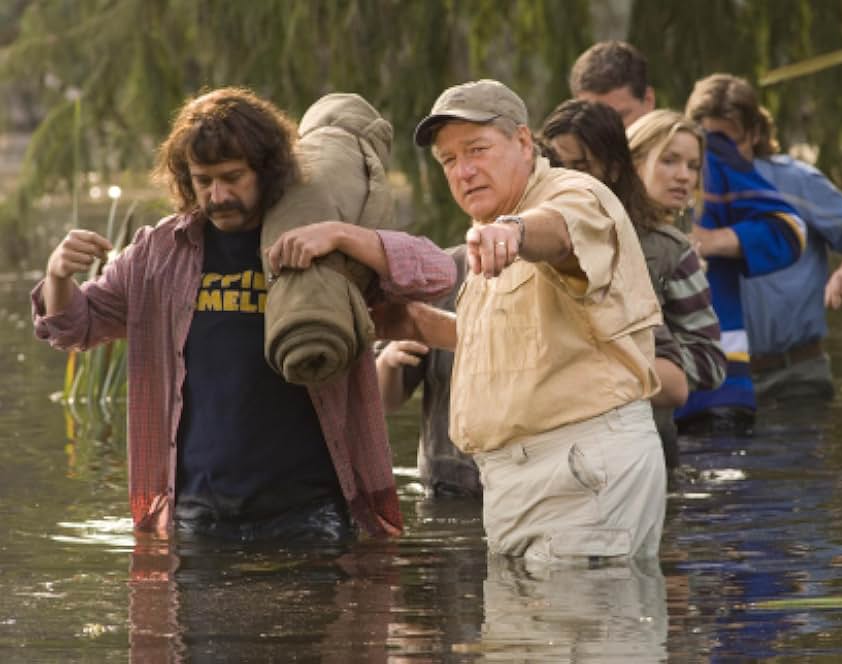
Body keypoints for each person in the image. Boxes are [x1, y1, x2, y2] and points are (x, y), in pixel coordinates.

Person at [31, 87, 456, 542]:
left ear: (268, 171)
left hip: (313, 511)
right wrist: (58, 277)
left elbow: (438, 273)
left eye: (233, 177)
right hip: (196, 512)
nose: (218, 195)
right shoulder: (160, 253)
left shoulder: (321, 246)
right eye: (203, 180)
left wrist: (343, 236)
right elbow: (75, 326)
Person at [406, 79, 667, 563]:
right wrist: (414, 324)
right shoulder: (492, 227)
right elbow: (512, 343)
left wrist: (516, 231)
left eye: (477, 149)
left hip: (576, 472)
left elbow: (562, 230)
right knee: (524, 636)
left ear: (524, 143)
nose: (463, 170)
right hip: (523, 480)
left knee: (580, 622)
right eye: (448, 160)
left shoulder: (571, 193)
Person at [572, 41, 808, 435]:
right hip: (636, 401)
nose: (608, 132)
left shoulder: (703, 151)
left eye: (620, 116)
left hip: (717, 388)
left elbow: (789, 229)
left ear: (648, 100)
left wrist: (705, 243)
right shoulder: (584, 182)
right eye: (597, 116)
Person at [539, 99, 725, 472]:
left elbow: (710, 363)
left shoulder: (668, 250)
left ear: (614, 168)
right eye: (670, 160)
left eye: (693, 166)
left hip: (643, 447)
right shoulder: (534, 238)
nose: (684, 176)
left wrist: (628, 369)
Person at [685, 74, 842, 403]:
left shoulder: (795, 182)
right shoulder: (682, 189)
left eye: (729, 142)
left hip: (794, 375)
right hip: (717, 380)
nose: (720, 157)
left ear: (754, 134)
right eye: (710, 144)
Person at [374, 246, 482, 498]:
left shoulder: (554, 268)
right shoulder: (437, 274)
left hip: (529, 484)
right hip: (447, 487)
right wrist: (389, 363)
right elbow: (383, 401)